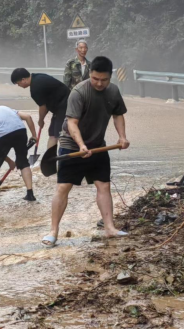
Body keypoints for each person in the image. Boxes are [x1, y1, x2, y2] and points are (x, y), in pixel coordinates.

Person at [41, 56, 130, 247]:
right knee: (63, 188)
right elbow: (72, 123)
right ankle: (53, 232)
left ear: (110, 77)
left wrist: (122, 137)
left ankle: (109, 228)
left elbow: (118, 115)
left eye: (103, 80)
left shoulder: (113, 91)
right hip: (71, 146)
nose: (99, 83)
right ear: (90, 74)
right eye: (95, 79)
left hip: (98, 145)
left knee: (103, 186)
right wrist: (81, 145)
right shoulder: (79, 92)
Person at [11, 68, 70, 149]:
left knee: (60, 134)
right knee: (52, 134)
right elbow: (46, 103)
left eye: (18, 83)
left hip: (66, 106)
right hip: (59, 108)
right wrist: (41, 120)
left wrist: (41, 120)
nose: (19, 86)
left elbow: (43, 107)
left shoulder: (35, 89)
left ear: (23, 80)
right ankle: (49, 159)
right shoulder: (37, 77)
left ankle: (66, 157)